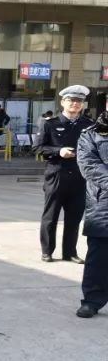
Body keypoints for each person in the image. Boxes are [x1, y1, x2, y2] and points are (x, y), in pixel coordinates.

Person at [35, 86, 94, 263]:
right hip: (56, 176)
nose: (75, 104)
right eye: (71, 100)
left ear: (83, 104)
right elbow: (37, 148)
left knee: (74, 218)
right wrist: (58, 151)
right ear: (62, 102)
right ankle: (47, 251)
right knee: (50, 217)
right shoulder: (49, 123)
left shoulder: (88, 125)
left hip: (79, 178)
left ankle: (70, 252)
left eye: (79, 101)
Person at [76, 108, 108, 318]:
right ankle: (92, 300)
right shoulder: (90, 134)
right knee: (99, 257)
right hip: (103, 205)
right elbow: (88, 165)